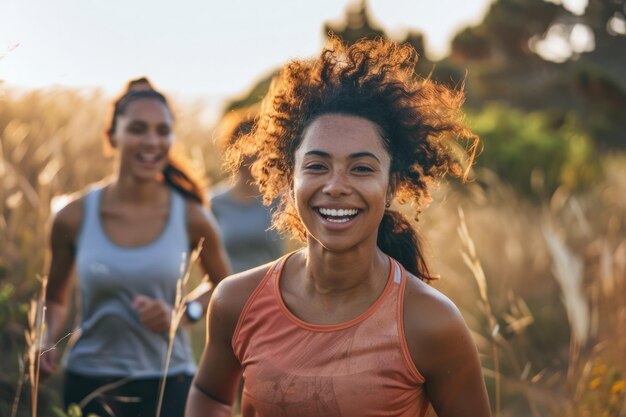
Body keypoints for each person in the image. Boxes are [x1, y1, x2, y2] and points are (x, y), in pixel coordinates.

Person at [186, 37, 491, 417]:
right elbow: (210, 394)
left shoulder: (430, 323)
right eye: (316, 165)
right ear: (289, 175)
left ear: (392, 182)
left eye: (362, 168)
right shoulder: (236, 301)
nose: (336, 186)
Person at [41, 78, 231, 417]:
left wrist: (183, 314)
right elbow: (55, 298)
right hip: (89, 381)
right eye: (138, 129)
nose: (152, 142)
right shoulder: (72, 216)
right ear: (112, 136)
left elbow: (223, 286)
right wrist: (45, 339)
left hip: (169, 382)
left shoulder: (191, 216)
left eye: (162, 131)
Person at [210, 105, 284, 274]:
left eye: (262, 146)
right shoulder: (214, 203)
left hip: (270, 293)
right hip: (230, 294)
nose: (256, 153)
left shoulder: (280, 200)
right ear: (232, 149)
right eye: (249, 147)